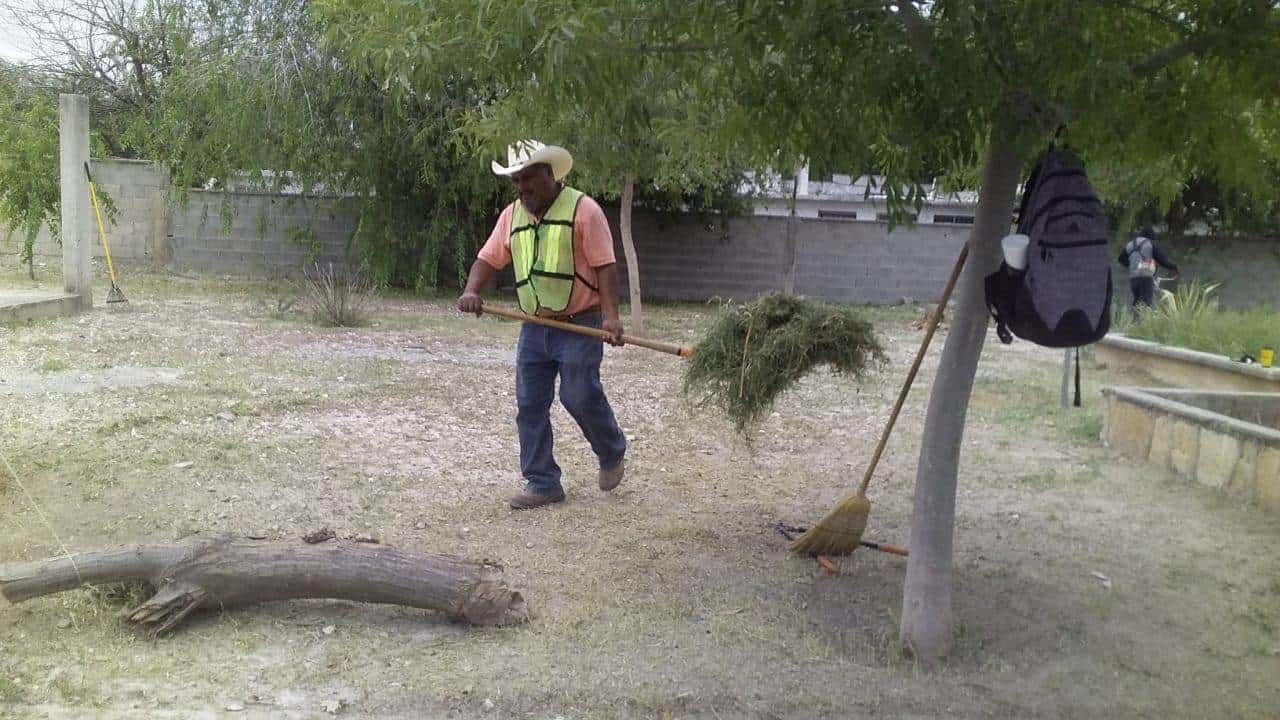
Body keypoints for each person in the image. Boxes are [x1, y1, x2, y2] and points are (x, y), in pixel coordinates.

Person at [457, 140, 627, 510]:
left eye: (529, 179)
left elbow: (606, 267)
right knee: (530, 404)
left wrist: (612, 318)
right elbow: (487, 258)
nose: (522, 188)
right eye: (517, 181)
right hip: (534, 326)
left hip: (580, 323)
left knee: (578, 395)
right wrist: (471, 290)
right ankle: (542, 481)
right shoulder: (511, 216)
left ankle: (612, 450)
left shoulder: (585, 211)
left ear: (549, 174)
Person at [1118, 224, 1178, 309]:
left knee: (1137, 302)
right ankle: (1146, 320)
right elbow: (1162, 260)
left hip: (1133, 277)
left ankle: (1136, 320)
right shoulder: (1150, 243)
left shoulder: (1130, 244)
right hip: (1145, 273)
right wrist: (1174, 267)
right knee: (1147, 303)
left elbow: (1121, 259)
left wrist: (1133, 265)